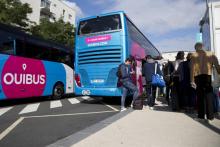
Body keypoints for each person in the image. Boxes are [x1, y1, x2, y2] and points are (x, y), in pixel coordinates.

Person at [190, 42, 220, 121]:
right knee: (209, 96)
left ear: (196, 48)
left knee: (200, 97)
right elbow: (217, 66)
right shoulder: (211, 54)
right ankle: (210, 117)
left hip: (198, 77)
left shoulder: (194, 55)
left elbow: (192, 69)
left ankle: (201, 117)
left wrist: (192, 80)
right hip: (208, 76)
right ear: (203, 47)